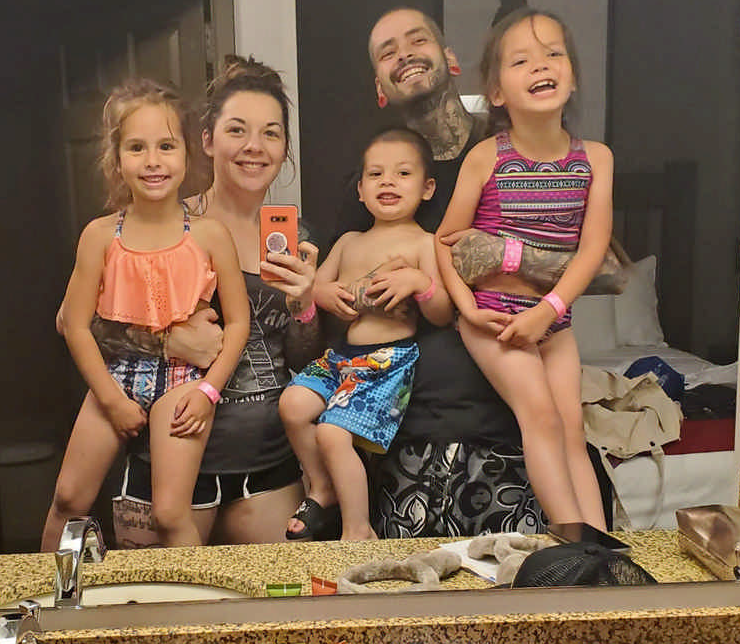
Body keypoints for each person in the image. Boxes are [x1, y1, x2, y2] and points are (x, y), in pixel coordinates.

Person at [333, 8, 543, 537]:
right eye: (387, 51)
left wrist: (476, 259)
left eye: (416, 39)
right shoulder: (375, 179)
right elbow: (336, 317)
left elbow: (601, 270)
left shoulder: (513, 154)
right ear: (380, 87)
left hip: (506, 435)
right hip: (404, 441)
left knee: (528, 606)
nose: (403, 53)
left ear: (450, 59)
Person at [120, 56, 323, 544]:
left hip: (268, 464)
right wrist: (168, 343)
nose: (255, 147)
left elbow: (303, 359)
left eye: (271, 133)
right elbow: (87, 325)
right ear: (207, 141)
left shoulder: (295, 237)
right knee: (161, 617)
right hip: (170, 463)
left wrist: (305, 308)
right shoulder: (165, 223)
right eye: (238, 130)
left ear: (285, 148)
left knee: (270, 617)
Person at [41, 78, 250, 550]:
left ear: (187, 156)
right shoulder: (99, 236)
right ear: (116, 160)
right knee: (69, 496)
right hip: (115, 376)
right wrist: (111, 399)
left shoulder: (211, 234)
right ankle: (47, 610)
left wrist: (209, 392)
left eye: (166, 146)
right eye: (137, 147)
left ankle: (201, 623)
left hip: (184, 381)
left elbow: (238, 324)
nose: (153, 161)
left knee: (170, 512)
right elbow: (73, 325)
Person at [435, 8, 612, 527]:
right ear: (496, 92)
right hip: (494, 316)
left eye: (554, 54)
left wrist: (550, 311)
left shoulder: (596, 159)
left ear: (573, 76)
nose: (542, 65)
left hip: (551, 317)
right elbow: (443, 243)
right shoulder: (486, 156)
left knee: (571, 426)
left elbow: (592, 251)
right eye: (521, 60)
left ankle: (601, 545)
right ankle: (575, 542)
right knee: (539, 415)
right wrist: (467, 310)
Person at [279, 128, 452, 540]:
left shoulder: (425, 244)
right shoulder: (349, 242)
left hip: (385, 362)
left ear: (427, 188)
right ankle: (322, 488)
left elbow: (444, 312)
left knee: (332, 432)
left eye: (402, 173)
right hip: (341, 357)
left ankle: (358, 528)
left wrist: (419, 283)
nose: (388, 182)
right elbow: (316, 287)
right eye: (376, 174)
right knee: (292, 404)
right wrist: (322, 292)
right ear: (360, 189)